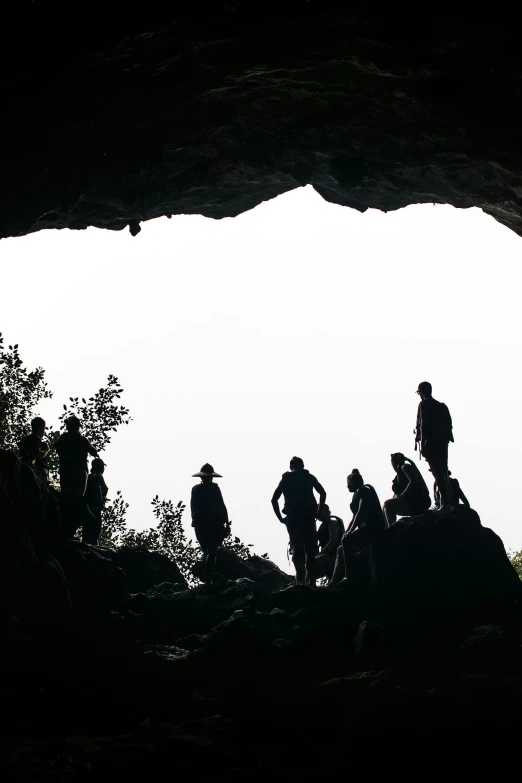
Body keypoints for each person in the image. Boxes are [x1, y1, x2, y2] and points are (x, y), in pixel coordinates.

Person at [271, 456, 326, 587]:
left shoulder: (285, 479)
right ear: (303, 465)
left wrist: (280, 518)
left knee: (297, 548)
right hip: (308, 516)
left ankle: (300, 580)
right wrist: (319, 510)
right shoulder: (309, 477)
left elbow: (274, 499)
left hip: (292, 517)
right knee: (310, 549)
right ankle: (311, 580)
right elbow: (323, 492)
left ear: (291, 467)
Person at [330, 469, 385, 586]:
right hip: (366, 527)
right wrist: (348, 531)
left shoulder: (363, 491)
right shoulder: (357, 494)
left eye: (348, 483)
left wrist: (350, 532)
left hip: (373, 527)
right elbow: (354, 516)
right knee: (341, 548)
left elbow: (360, 512)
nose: (347, 486)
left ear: (353, 482)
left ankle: (349, 576)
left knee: (347, 542)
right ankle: (333, 582)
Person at [414, 381, 454, 507]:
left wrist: (423, 444)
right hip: (442, 444)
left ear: (422, 392)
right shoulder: (441, 406)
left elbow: (423, 425)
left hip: (431, 444)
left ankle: (445, 503)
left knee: (438, 473)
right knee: (443, 472)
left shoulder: (423, 405)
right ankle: (447, 501)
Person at [191, 463, 229, 584]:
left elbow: (193, 509)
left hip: (200, 525)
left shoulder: (195, 490)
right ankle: (209, 579)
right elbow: (222, 506)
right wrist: (227, 523)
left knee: (206, 551)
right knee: (211, 552)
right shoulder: (214, 489)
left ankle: (208, 578)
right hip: (213, 525)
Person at [383, 452, 431, 526]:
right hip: (412, 502)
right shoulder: (399, 475)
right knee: (385, 506)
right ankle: (385, 530)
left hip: (418, 502)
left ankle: (391, 530)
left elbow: (413, 481)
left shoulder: (405, 467)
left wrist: (402, 495)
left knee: (388, 504)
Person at [55, 415, 99, 496]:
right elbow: (93, 452)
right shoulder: (82, 439)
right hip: (79, 471)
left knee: (66, 495)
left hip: (65, 469)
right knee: (78, 497)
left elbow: (57, 449)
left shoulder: (62, 438)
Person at [314, 504, 345, 580]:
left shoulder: (333, 523)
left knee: (312, 564)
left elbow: (333, 541)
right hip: (327, 554)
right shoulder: (322, 526)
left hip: (333, 556)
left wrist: (320, 554)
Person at [84, 458, 108, 545]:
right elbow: (97, 490)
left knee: (87, 530)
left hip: (87, 507)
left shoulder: (88, 477)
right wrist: (100, 503)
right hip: (95, 507)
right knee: (94, 531)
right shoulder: (98, 476)